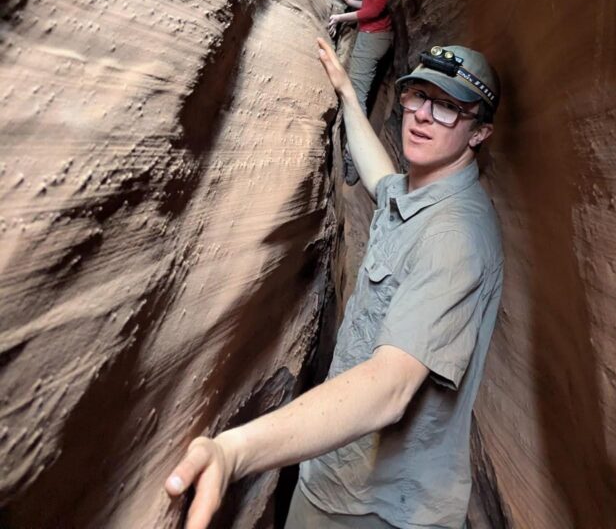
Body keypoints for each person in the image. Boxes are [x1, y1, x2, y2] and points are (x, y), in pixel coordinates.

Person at [165, 40, 504, 529]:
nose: (422, 116)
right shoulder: (417, 195)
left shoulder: (454, 238)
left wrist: (235, 452)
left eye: (448, 107)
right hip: (336, 477)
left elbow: (390, 388)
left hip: (377, 509)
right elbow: (380, 178)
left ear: (480, 132)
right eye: (417, 95)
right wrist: (347, 92)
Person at [329, 0, 394, 183]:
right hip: (373, 35)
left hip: (373, 38)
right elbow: (369, 5)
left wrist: (341, 16)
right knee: (358, 93)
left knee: (356, 98)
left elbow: (374, 11)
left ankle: (354, 162)